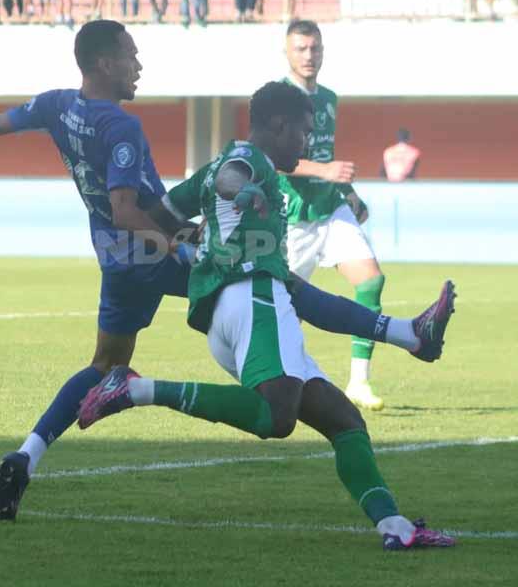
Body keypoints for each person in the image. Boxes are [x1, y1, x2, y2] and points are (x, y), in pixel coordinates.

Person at [0, 20, 455, 523]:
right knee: (274, 281)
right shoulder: (121, 126)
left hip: (116, 262)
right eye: (130, 56)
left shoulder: (55, 106)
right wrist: (182, 245)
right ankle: (406, 334)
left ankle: (27, 454)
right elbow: (127, 207)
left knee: (103, 364)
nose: (138, 65)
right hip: (150, 247)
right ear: (102, 61)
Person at [75, 82, 456, 552]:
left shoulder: (218, 167)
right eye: (302, 131)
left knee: (343, 421)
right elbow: (232, 179)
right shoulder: (249, 164)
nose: (306, 142)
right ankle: (135, 388)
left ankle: (395, 525)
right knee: (277, 417)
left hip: (240, 311)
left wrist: (187, 240)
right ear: (279, 124)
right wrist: (246, 191)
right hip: (252, 302)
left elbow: (162, 213)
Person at [277, 20, 398, 412]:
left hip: (330, 208)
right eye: (300, 49)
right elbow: (275, 159)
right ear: (287, 52)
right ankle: (278, 381)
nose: (308, 56)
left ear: (323, 50)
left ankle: (359, 382)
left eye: (314, 48)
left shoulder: (329, 98)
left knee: (371, 281)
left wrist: (348, 191)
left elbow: (327, 155)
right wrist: (325, 171)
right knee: (285, 309)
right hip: (293, 218)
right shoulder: (278, 98)